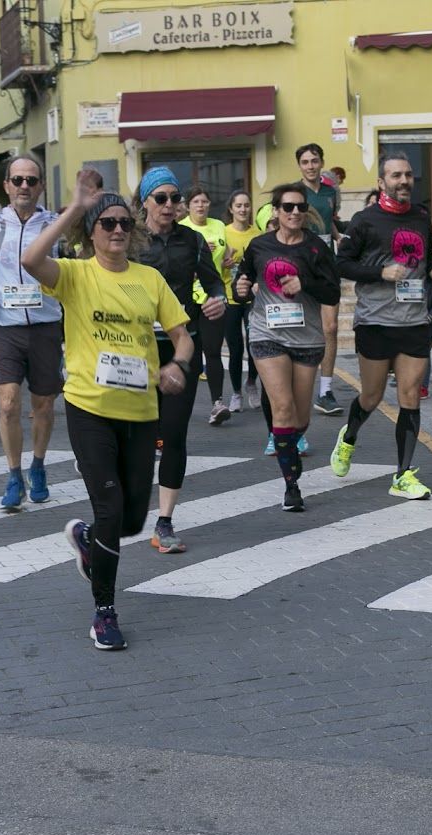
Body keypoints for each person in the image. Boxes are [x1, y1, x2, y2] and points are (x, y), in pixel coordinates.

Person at [22, 172, 193, 650]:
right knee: (111, 505)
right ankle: (104, 610)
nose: (116, 230)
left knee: (132, 519)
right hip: (89, 408)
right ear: (91, 232)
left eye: (122, 223)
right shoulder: (75, 275)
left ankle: (88, 539)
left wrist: (177, 365)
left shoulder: (149, 279)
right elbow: (31, 259)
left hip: (140, 412)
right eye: (106, 223)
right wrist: (75, 207)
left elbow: (182, 334)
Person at [330, 154, 432, 500]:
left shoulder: (421, 216)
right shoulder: (365, 221)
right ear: (382, 182)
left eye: (408, 174)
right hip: (376, 322)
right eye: (396, 175)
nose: (404, 180)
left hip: (413, 321)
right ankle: (349, 436)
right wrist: (381, 272)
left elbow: (427, 256)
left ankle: (403, 474)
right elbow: (341, 264)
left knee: (410, 396)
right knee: (372, 396)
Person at [133, 166, 227, 551]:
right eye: (162, 198)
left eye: (176, 198)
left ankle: (164, 522)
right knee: (136, 434)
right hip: (135, 348)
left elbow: (213, 280)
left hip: (181, 346)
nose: (170, 205)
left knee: (173, 434)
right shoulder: (130, 241)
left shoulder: (192, 240)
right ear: (146, 203)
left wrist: (218, 299)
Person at [235, 182, 341, 511]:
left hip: (307, 338)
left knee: (300, 420)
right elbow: (243, 278)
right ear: (276, 212)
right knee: (282, 408)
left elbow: (333, 293)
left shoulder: (316, 249)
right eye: (288, 207)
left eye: (300, 207)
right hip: (267, 334)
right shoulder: (259, 245)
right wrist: (240, 286)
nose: (295, 212)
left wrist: (305, 283)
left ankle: (289, 448)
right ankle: (291, 484)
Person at [0, 156, 64, 511]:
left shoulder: (54, 223)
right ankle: (14, 476)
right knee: (9, 403)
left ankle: (38, 466)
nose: (24, 186)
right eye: (18, 180)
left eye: (31, 180)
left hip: (45, 324)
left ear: (41, 185)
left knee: (43, 403)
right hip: (3, 325)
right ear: (7, 185)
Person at [295, 143, 344, 416]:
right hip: (302, 265)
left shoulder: (330, 192)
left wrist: (338, 238)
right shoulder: (295, 193)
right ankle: (298, 386)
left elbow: (330, 220)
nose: (311, 166)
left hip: (329, 266)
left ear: (322, 162)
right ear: (299, 166)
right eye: (305, 162)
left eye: (315, 161)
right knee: (304, 328)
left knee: (332, 327)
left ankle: (325, 391)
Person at [180, 185, 233, 425]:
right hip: (189, 298)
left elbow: (223, 258)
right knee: (190, 353)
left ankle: (217, 403)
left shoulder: (219, 226)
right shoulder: (182, 230)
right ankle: (181, 405)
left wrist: (226, 261)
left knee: (213, 351)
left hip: (213, 297)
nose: (201, 205)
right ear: (188, 206)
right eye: (196, 202)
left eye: (204, 201)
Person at [222, 189, 262, 410]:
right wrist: (223, 264)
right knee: (235, 348)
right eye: (238, 206)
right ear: (231, 209)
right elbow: (214, 263)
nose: (243, 209)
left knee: (254, 344)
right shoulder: (223, 232)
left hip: (252, 298)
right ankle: (236, 392)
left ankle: (251, 384)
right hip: (229, 297)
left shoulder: (257, 234)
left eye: (246, 205)